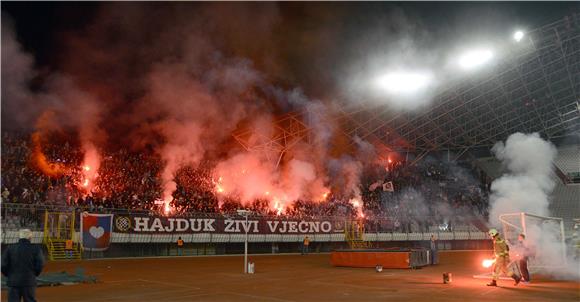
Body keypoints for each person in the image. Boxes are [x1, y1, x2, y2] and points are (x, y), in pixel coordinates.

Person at [1, 229, 45, 302]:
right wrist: (34, 274)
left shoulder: (10, 248)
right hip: (29, 281)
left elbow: (3, 264)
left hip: (13, 282)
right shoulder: (36, 248)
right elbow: (40, 264)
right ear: (30, 237)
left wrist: (8, 275)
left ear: (19, 237)